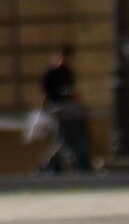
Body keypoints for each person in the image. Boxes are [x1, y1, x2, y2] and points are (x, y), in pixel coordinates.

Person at [37, 46, 96, 174]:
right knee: (63, 140)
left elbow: (71, 91)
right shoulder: (52, 72)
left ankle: (67, 163)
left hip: (69, 109)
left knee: (71, 139)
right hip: (58, 109)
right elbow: (45, 93)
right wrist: (42, 111)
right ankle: (48, 164)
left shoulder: (69, 73)